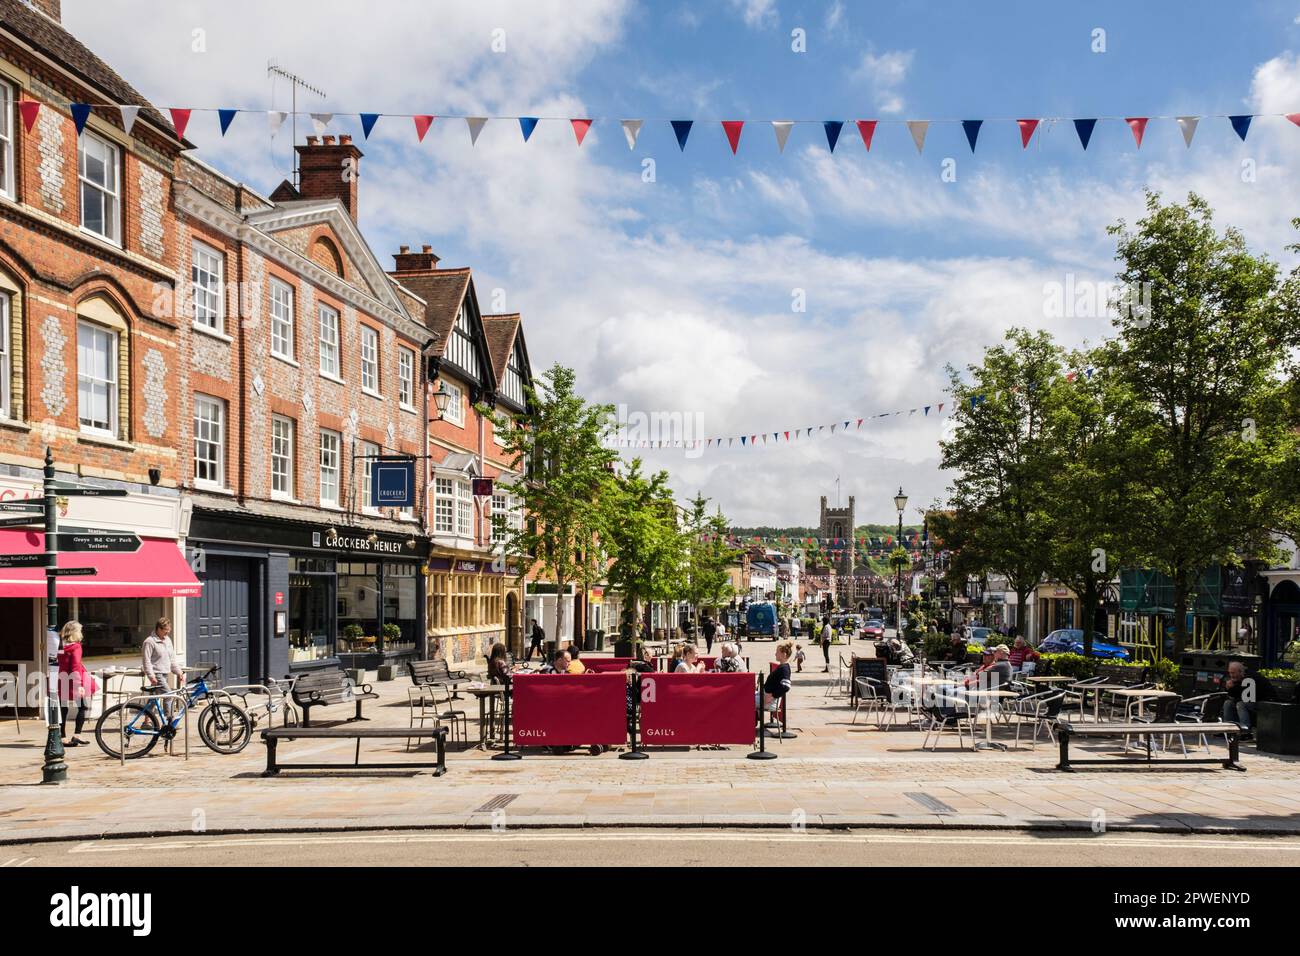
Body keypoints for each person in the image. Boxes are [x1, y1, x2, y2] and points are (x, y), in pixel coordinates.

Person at [56, 621, 96, 747]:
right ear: (74, 632)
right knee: (83, 707)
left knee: (63, 708)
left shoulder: (60, 645)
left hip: (62, 678)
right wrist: (79, 685)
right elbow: (75, 666)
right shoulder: (76, 647)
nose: (81, 633)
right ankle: (77, 735)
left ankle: (62, 737)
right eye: (79, 631)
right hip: (75, 679)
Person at [1221, 661, 1264, 737]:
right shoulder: (1239, 678)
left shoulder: (1249, 678)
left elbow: (1244, 697)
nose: (1231, 675)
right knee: (1228, 703)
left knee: (1241, 704)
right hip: (1251, 701)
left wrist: (1231, 688)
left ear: (1240, 672)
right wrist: (1229, 688)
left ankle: (1245, 732)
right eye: (1230, 673)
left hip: (1263, 702)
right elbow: (1235, 696)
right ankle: (1228, 730)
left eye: (1233, 673)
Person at [142, 617, 182, 693]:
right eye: (166, 630)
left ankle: (148, 705)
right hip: (156, 674)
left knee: (155, 699)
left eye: (169, 630)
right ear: (159, 629)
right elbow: (146, 661)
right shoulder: (149, 642)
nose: (168, 632)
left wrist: (179, 672)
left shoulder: (168, 640)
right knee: (169, 695)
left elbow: (171, 659)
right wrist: (151, 676)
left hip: (165, 673)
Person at [759, 640, 794, 720]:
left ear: (784, 655)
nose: (775, 654)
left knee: (745, 700)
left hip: (770, 701)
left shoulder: (784, 668)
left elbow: (786, 686)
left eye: (777, 652)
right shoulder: (782, 667)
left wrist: (772, 696)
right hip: (767, 698)